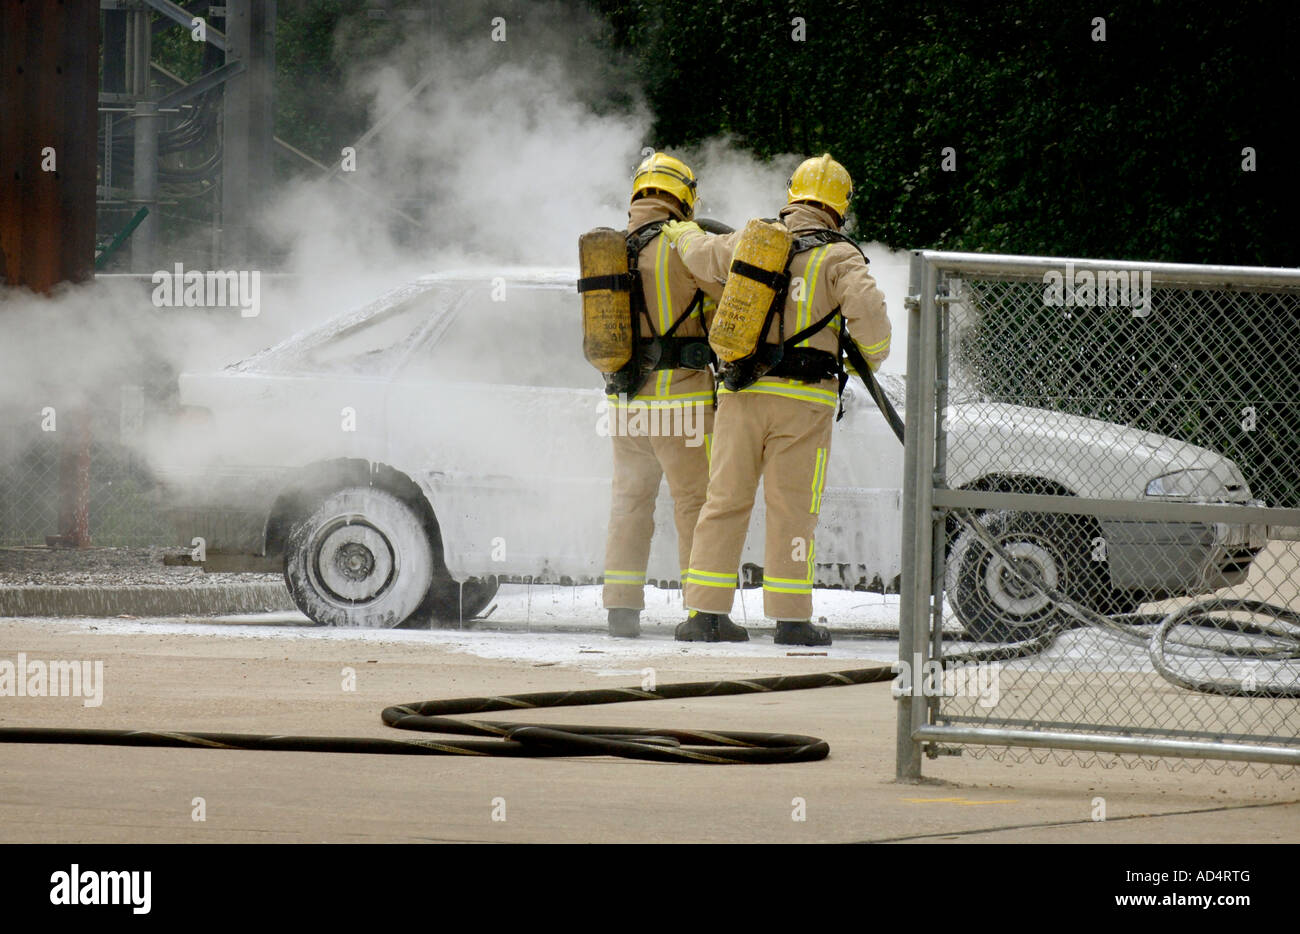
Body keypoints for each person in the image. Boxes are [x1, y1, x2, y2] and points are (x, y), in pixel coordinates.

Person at [663, 153, 890, 645]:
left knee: (723, 501)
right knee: (792, 509)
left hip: (740, 395)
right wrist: (860, 360)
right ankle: (791, 620)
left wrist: (681, 230)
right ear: (840, 206)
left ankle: (705, 616)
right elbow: (872, 330)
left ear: (792, 195)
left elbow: (700, 257)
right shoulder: (841, 257)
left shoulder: (754, 238)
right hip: (804, 405)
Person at [598, 152, 744, 640]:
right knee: (695, 504)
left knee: (629, 503)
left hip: (625, 405)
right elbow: (729, 298)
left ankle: (621, 608)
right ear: (682, 196)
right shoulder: (681, 242)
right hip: (682, 404)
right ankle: (702, 612)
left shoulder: (612, 248)